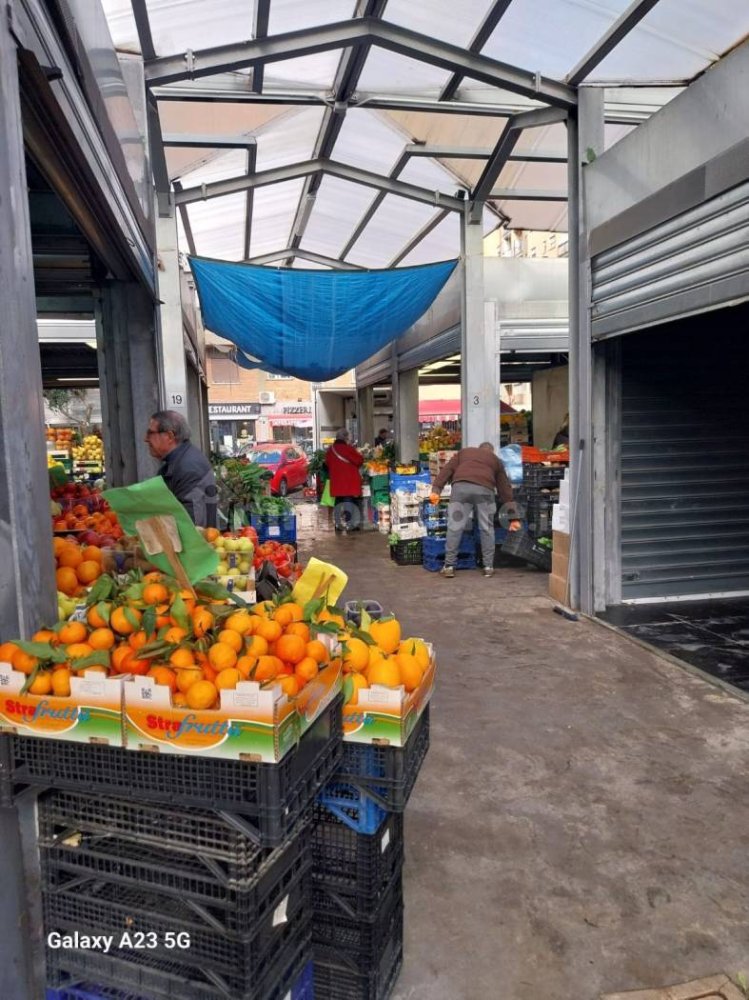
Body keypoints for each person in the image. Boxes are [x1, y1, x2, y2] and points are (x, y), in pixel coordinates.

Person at [430, 441, 520, 578]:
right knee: (486, 528)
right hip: (485, 491)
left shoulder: (464, 452)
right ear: (491, 452)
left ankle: (449, 566)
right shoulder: (495, 460)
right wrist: (513, 518)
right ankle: (488, 567)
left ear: (479, 449)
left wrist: (436, 490)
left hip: (460, 489)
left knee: (455, 527)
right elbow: (505, 489)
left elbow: (446, 470)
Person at [144, 410, 218, 527]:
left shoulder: (189, 467)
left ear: (169, 436)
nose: (146, 439)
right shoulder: (178, 462)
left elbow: (192, 525)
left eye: (150, 433)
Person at [325, 428, 364, 533]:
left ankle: (338, 525)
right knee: (348, 502)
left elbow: (327, 463)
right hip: (348, 481)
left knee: (338, 501)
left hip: (336, 481)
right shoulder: (348, 448)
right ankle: (349, 525)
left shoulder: (330, 450)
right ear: (346, 438)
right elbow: (359, 460)